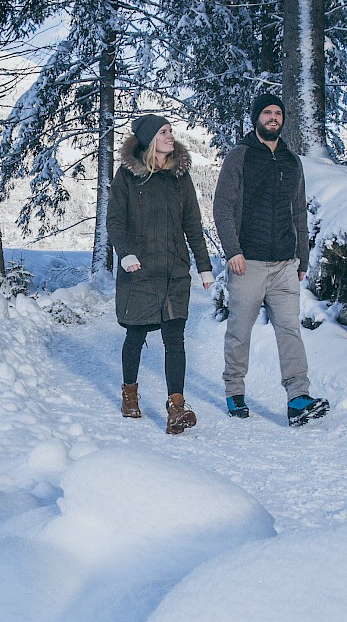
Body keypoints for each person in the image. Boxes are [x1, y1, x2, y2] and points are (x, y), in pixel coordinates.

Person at [211, 93, 330, 427]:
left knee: (290, 330)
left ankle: (298, 398)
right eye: (267, 112)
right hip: (247, 263)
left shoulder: (292, 161)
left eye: (278, 112)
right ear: (256, 118)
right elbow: (222, 206)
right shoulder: (241, 156)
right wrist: (232, 251)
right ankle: (234, 390)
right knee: (239, 330)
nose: (274, 117)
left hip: (284, 265)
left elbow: (299, 212)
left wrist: (302, 259)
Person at [108, 113, 214, 434]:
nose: (171, 136)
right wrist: (125, 254)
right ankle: (129, 392)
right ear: (150, 139)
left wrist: (204, 266)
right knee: (136, 335)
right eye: (164, 132)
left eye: (171, 131)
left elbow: (193, 226)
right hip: (139, 270)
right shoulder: (127, 177)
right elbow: (115, 221)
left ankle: (177, 408)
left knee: (175, 340)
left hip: (173, 270)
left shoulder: (180, 177)